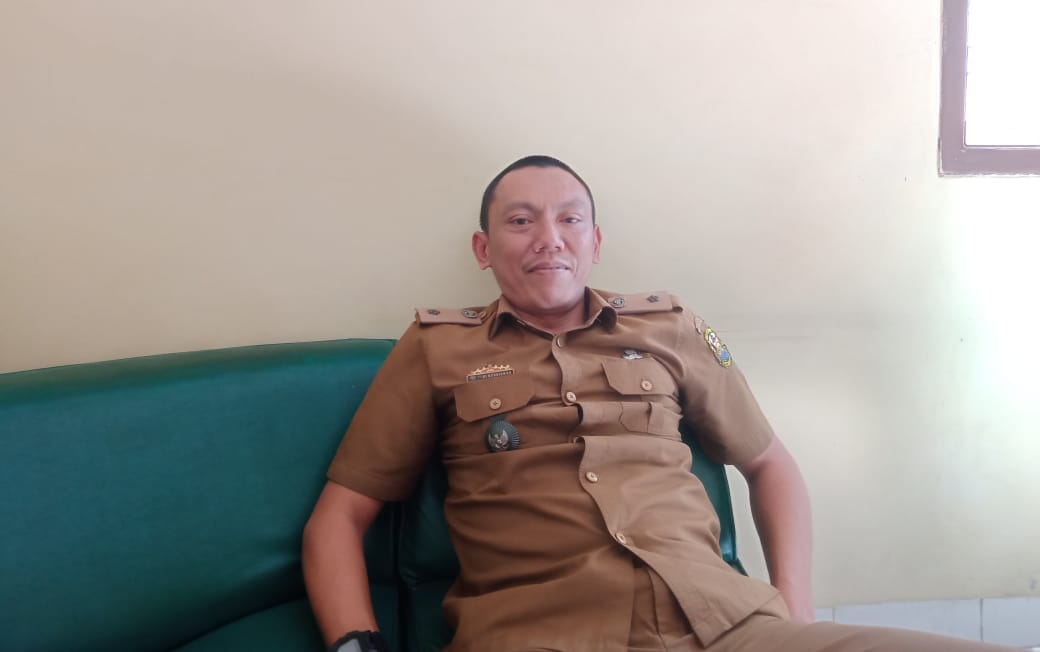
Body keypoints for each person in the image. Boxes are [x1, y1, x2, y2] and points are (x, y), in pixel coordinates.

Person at [303, 156, 1014, 652]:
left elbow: (769, 464)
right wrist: (356, 647)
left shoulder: (667, 328)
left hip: (728, 626)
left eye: (569, 220)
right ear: (483, 248)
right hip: (539, 634)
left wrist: (794, 614)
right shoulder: (436, 348)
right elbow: (339, 517)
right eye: (521, 222)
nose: (549, 239)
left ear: (594, 241)